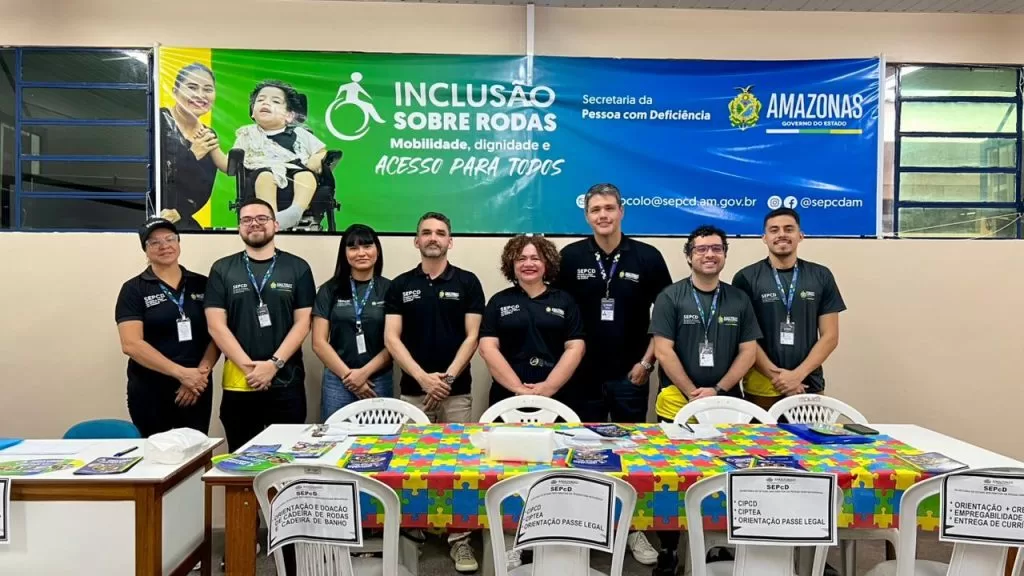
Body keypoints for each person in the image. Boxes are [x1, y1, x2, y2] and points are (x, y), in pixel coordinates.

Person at [555, 183, 670, 566]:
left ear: (622, 211)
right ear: (586, 215)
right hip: (581, 376)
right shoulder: (570, 257)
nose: (603, 215)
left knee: (629, 454)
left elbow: (664, 319)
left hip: (630, 374)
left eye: (609, 208)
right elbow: (557, 313)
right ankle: (585, 525)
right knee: (581, 452)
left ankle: (633, 528)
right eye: (595, 210)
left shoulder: (648, 257)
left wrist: (647, 363)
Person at [648, 225, 761, 576]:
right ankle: (669, 548)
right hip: (676, 402)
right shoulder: (670, 297)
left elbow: (749, 350)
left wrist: (719, 391)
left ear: (724, 254)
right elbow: (663, 350)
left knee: (725, 474)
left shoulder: (739, 299)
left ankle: (720, 543)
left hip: (727, 404)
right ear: (688, 255)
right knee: (671, 476)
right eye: (701, 249)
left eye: (716, 248)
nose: (709, 254)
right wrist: (692, 393)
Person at [384, 211, 484, 573]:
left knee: (459, 467)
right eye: (426, 232)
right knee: (413, 467)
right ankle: (414, 535)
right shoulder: (400, 285)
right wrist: (424, 378)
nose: (433, 237)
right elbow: (391, 338)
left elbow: (472, 336)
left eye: (440, 233)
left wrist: (446, 380)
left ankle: (460, 539)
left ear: (450, 241)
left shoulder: (468, 282)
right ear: (416, 241)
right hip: (413, 392)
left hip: (456, 393)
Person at [204, 198, 316, 452]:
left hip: (286, 381)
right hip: (240, 383)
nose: (254, 224)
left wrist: (273, 365)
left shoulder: (297, 267)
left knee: (286, 459)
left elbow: (303, 323)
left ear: (275, 224)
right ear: (239, 227)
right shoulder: (222, 269)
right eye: (246, 219)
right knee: (242, 461)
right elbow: (216, 326)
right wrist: (251, 370)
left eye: (262, 218)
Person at [731, 208, 847, 410]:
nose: (781, 234)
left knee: (809, 433)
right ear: (764, 238)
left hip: (808, 382)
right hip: (761, 384)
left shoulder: (821, 275)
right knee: (761, 432)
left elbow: (830, 336)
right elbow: (745, 338)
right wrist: (779, 378)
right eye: (774, 230)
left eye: (789, 229)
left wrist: (797, 375)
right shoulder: (746, 278)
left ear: (800, 235)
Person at [115, 218, 220, 437]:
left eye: (170, 239)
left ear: (179, 242)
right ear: (145, 249)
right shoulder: (134, 289)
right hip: (150, 389)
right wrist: (182, 374)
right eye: (154, 242)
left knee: (196, 450)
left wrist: (199, 376)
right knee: (155, 451)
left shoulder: (203, 284)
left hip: (196, 387)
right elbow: (131, 344)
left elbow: (218, 332)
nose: (164, 246)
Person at [480, 235, 586, 411]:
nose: (528, 264)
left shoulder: (565, 301)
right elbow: (487, 348)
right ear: (511, 264)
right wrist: (518, 388)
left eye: (535, 258)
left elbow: (576, 347)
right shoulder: (498, 301)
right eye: (521, 259)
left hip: (557, 396)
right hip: (507, 395)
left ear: (547, 263)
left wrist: (548, 387)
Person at [313, 224, 393, 421]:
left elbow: (395, 342)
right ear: (344, 253)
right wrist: (349, 377)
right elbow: (318, 342)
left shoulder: (390, 289)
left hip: (378, 379)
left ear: (377, 250)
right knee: (335, 434)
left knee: (379, 435)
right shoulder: (329, 290)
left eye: (367, 246)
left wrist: (364, 374)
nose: (361, 253)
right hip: (338, 379)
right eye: (353, 248)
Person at [232, 80, 327, 231]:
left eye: (275, 101)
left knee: (306, 176)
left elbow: (321, 150)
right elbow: (231, 165)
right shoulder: (247, 134)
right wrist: (214, 149)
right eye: (260, 100)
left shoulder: (299, 133)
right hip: (262, 172)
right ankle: (271, 218)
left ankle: (294, 212)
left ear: (289, 116)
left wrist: (316, 158)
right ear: (252, 112)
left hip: (294, 171)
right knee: (265, 177)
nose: (266, 103)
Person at [159, 63, 228, 229]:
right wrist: (192, 155)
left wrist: (180, 211)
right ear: (175, 91)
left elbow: (202, 189)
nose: (200, 95)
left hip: (181, 217)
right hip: (149, 212)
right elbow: (156, 175)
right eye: (192, 87)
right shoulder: (158, 120)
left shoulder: (208, 134)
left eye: (208, 89)